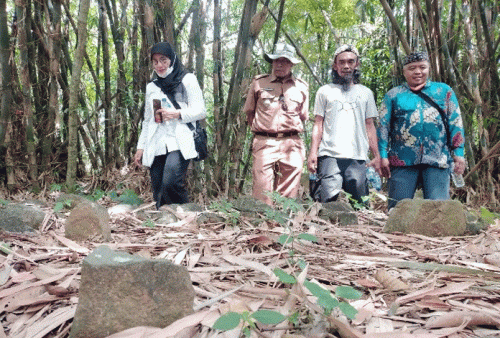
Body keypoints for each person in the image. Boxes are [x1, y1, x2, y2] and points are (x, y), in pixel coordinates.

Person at [377, 51, 465, 210]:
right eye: (412, 68)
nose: (417, 72)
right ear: (404, 72)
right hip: (402, 160)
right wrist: (382, 156)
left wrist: (459, 154)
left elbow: (455, 123)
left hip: (437, 159)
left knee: (438, 210)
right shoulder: (393, 95)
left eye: (422, 67)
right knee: (398, 210)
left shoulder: (443, 91)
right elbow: (383, 127)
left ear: (429, 69)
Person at [134, 42, 206, 209]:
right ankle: (164, 222)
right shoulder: (152, 87)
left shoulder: (187, 79)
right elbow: (147, 120)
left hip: (179, 140)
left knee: (171, 181)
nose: (159, 65)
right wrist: (140, 147)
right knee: (158, 186)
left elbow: (201, 111)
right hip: (157, 141)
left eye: (163, 60)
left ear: (172, 59)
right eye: (155, 61)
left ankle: (185, 214)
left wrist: (178, 114)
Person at [307, 44, 381, 205]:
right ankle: (326, 229)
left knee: (359, 202)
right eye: (342, 62)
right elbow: (318, 124)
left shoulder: (366, 93)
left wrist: (376, 155)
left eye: (350, 62)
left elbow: (370, 126)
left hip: (357, 155)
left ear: (357, 64)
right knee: (328, 201)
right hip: (329, 155)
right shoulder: (325, 91)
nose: (346, 66)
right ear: (335, 65)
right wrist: (313, 153)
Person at [243, 43, 309, 205]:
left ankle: (283, 223)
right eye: (276, 60)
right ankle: (263, 223)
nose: (279, 64)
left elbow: (303, 115)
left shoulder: (301, 87)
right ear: (272, 62)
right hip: (265, 141)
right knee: (262, 189)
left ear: (292, 64)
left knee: (289, 191)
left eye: (284, 61)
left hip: (292, 142)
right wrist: (264, 131)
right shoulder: (259, 83)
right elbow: (249, 112)